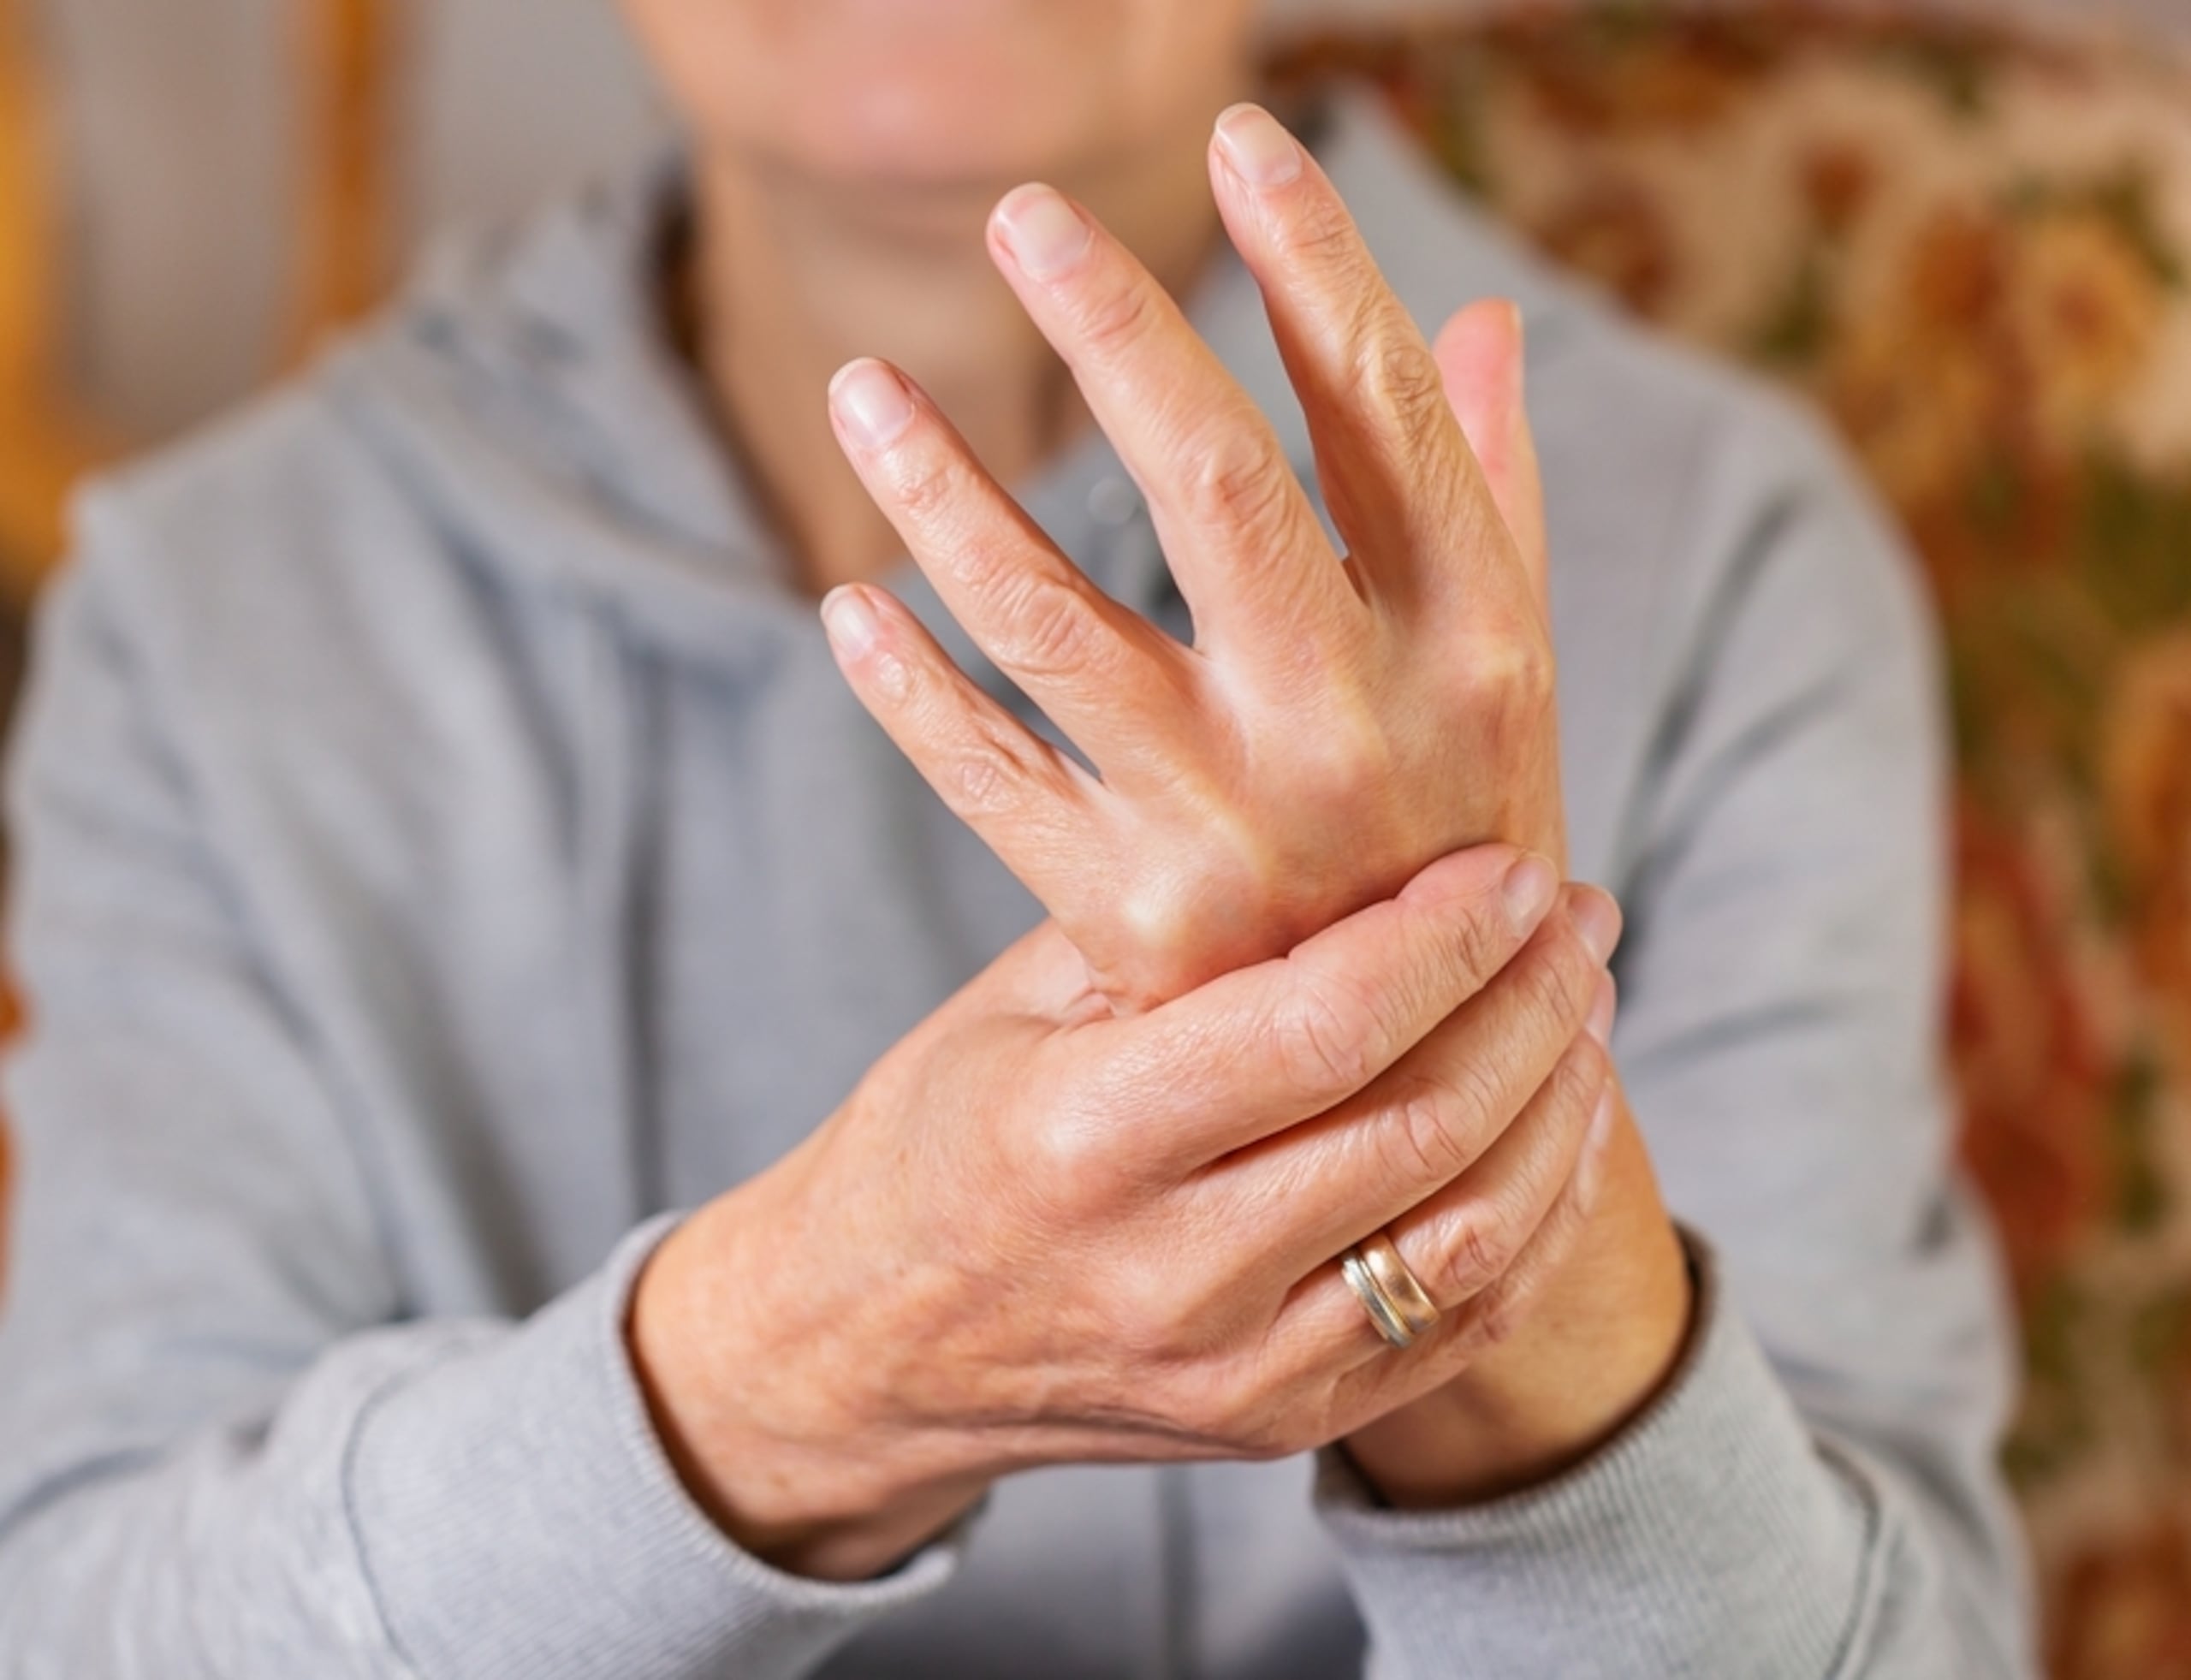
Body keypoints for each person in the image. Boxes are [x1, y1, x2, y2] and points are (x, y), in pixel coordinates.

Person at [0, 1, 2033, 1674]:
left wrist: (1464, 1165)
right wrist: (803, 1355)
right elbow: (89, 1619)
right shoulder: (208, 609)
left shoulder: (1712, 545)